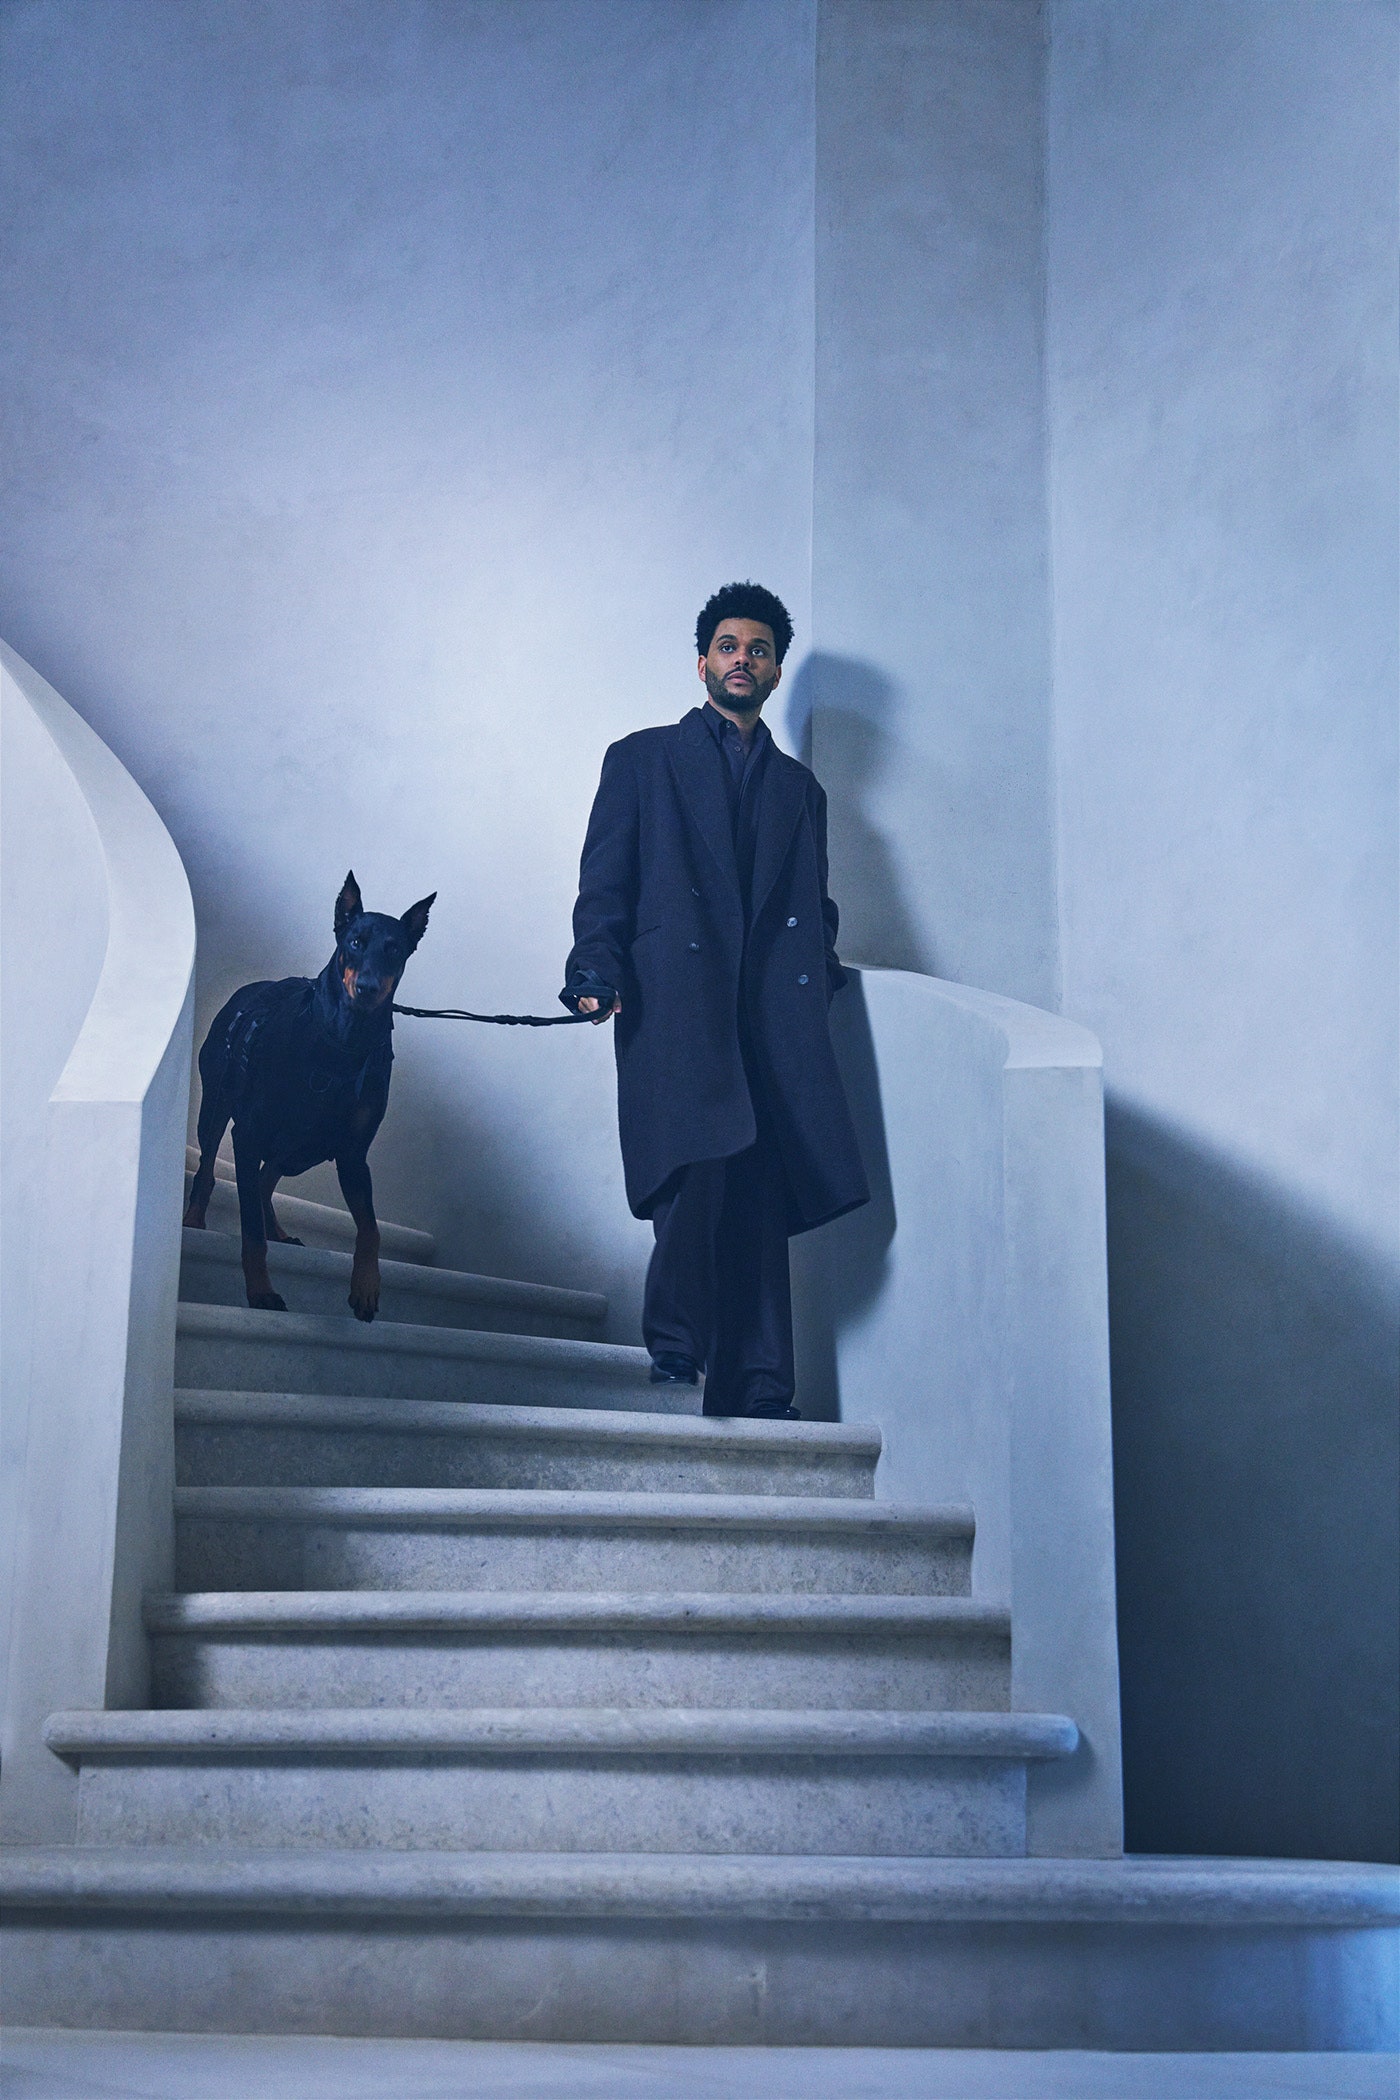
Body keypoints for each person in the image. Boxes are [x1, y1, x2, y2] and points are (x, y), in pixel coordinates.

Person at [561, 581, 868, 1419]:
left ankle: (763, 1387)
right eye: (729, 645)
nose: (743, 659)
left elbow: (817, 901)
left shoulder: (799, 791)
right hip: (678, 1004)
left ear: (774, 671)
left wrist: (822, 975)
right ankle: (674, 1348)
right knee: (694, 1177)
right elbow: (606, 886)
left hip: (771, 1021)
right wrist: (595, 972)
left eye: (760, 649)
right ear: (703, 662)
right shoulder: (641, 758)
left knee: (760, 1196)